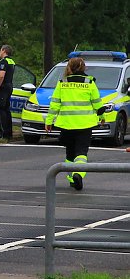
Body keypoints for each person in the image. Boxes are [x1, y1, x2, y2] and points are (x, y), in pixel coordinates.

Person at [45, 56, 104, 191]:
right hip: (85, 125)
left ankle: (72, 178)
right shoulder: (89, 82)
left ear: (69, 67)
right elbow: (97, 104)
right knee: (82, 153)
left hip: (66, 124)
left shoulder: (62, 83)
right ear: (83, 67)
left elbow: (54, 105)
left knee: (70, 153)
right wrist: (101, 116)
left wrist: (49, 121)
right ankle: (78, 174)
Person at [0, 44, 15, 141]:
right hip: (9, 86)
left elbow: (1, 76)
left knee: (0, 108)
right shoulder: (11, 61)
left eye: (0, 50)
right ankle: (8, 132)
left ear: (4, 50)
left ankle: (3, 132)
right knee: (6, 109)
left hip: (3, 87)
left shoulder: (3, 62)